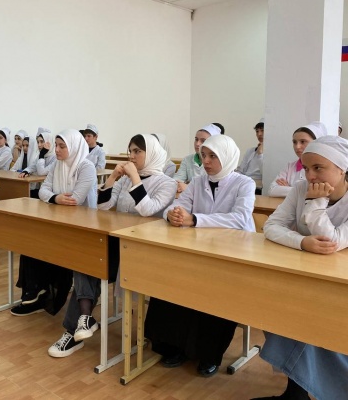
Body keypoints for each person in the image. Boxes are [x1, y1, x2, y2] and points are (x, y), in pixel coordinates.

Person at [48, 134, 177, 358]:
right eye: (130, 151)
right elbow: (104, 206)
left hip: (144, 250)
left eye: (137, 151)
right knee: (85, 257)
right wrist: (113, 178)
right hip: (119, 242)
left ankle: (78, 324)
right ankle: (83, 319)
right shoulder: (125, 180)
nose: (132, 156)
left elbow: (148, 210)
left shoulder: (167, 183)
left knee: (91, 264)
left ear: (151, 153)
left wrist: (134, 177)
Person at [144, 134, 255, 377]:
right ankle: (175, 346)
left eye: (213, 156)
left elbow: (240, 218)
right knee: (173, 286)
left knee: (215, 297)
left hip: (232, 256)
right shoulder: (198, 181)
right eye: (203, 155)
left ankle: (209, 354)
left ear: (227, 157)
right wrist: (173, 215)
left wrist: (195, 219)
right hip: (199, 250)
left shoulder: (244, 183)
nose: (206, 161)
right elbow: (179, 206)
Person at [256, 135, 348, 400]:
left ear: (342, 168)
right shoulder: (300, 188)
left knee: (317, 329)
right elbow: (272, 226)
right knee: (284, 316)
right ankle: (295, 392)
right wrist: (302, 242)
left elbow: (332, 242)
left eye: (318, 168)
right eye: (306, 168)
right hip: (305, 275)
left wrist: (316, 203)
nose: (310, 176)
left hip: (338, 285)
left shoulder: (313, 194)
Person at [11, 130, 95, 319]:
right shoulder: (58, 164)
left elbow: (75, 199)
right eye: (56, 145)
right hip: (58, 221)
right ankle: (34, 292)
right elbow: (43, 190)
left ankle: (45, 294)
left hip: (82, 227)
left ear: (74, 147)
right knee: (30, 244)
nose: (56, 149)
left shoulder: (86, 167)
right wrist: (56, 198)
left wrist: (53, 197)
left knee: (49, 246)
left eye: (62, 146)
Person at [268, 121, 327, 198]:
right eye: (294, 142)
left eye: (303, 142)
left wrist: (287, 189)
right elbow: (272, 190)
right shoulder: (290, 166)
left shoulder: (323, 167)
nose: (297, 146)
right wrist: (301, 190)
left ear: (316, 143)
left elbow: (320, 192)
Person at [173, 123, 221, 193]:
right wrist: (179, 185)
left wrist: (189, 187)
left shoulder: (218, 162)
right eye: (196, 139)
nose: (197, 144)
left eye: (203, 141)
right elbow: (177, 179)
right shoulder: (187, 159)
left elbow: (214, 186)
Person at [237, 119, 264, 193]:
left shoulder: (271, 153)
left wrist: (260, 154)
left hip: (258, 188)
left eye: (262, 130)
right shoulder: (250, 151)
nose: (259, 134)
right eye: (257, 131)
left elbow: (266, 175)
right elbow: (241, 170)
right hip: (244, 184)